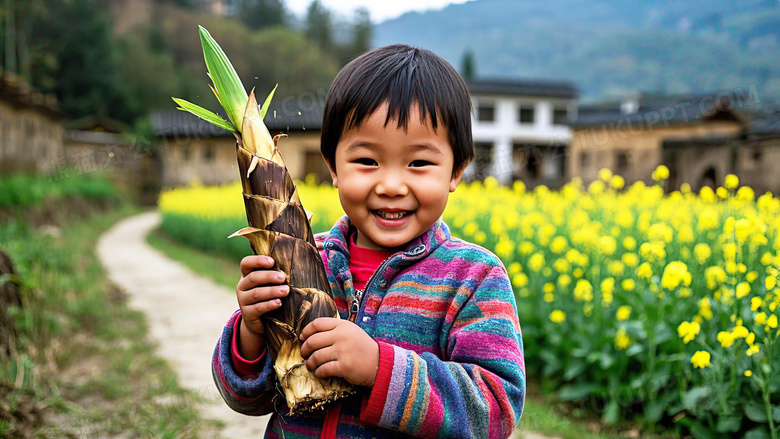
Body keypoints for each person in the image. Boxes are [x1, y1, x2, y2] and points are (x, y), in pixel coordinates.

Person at [212, 44, 525, 438]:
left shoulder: (474, 277)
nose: (391, 185)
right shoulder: (299, 259)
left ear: (456, 171)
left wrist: (381, 369)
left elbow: (495, 411)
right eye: (367, 161)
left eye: (419, 163)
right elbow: (244, 400)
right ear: (333, 168)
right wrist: (252, 333)